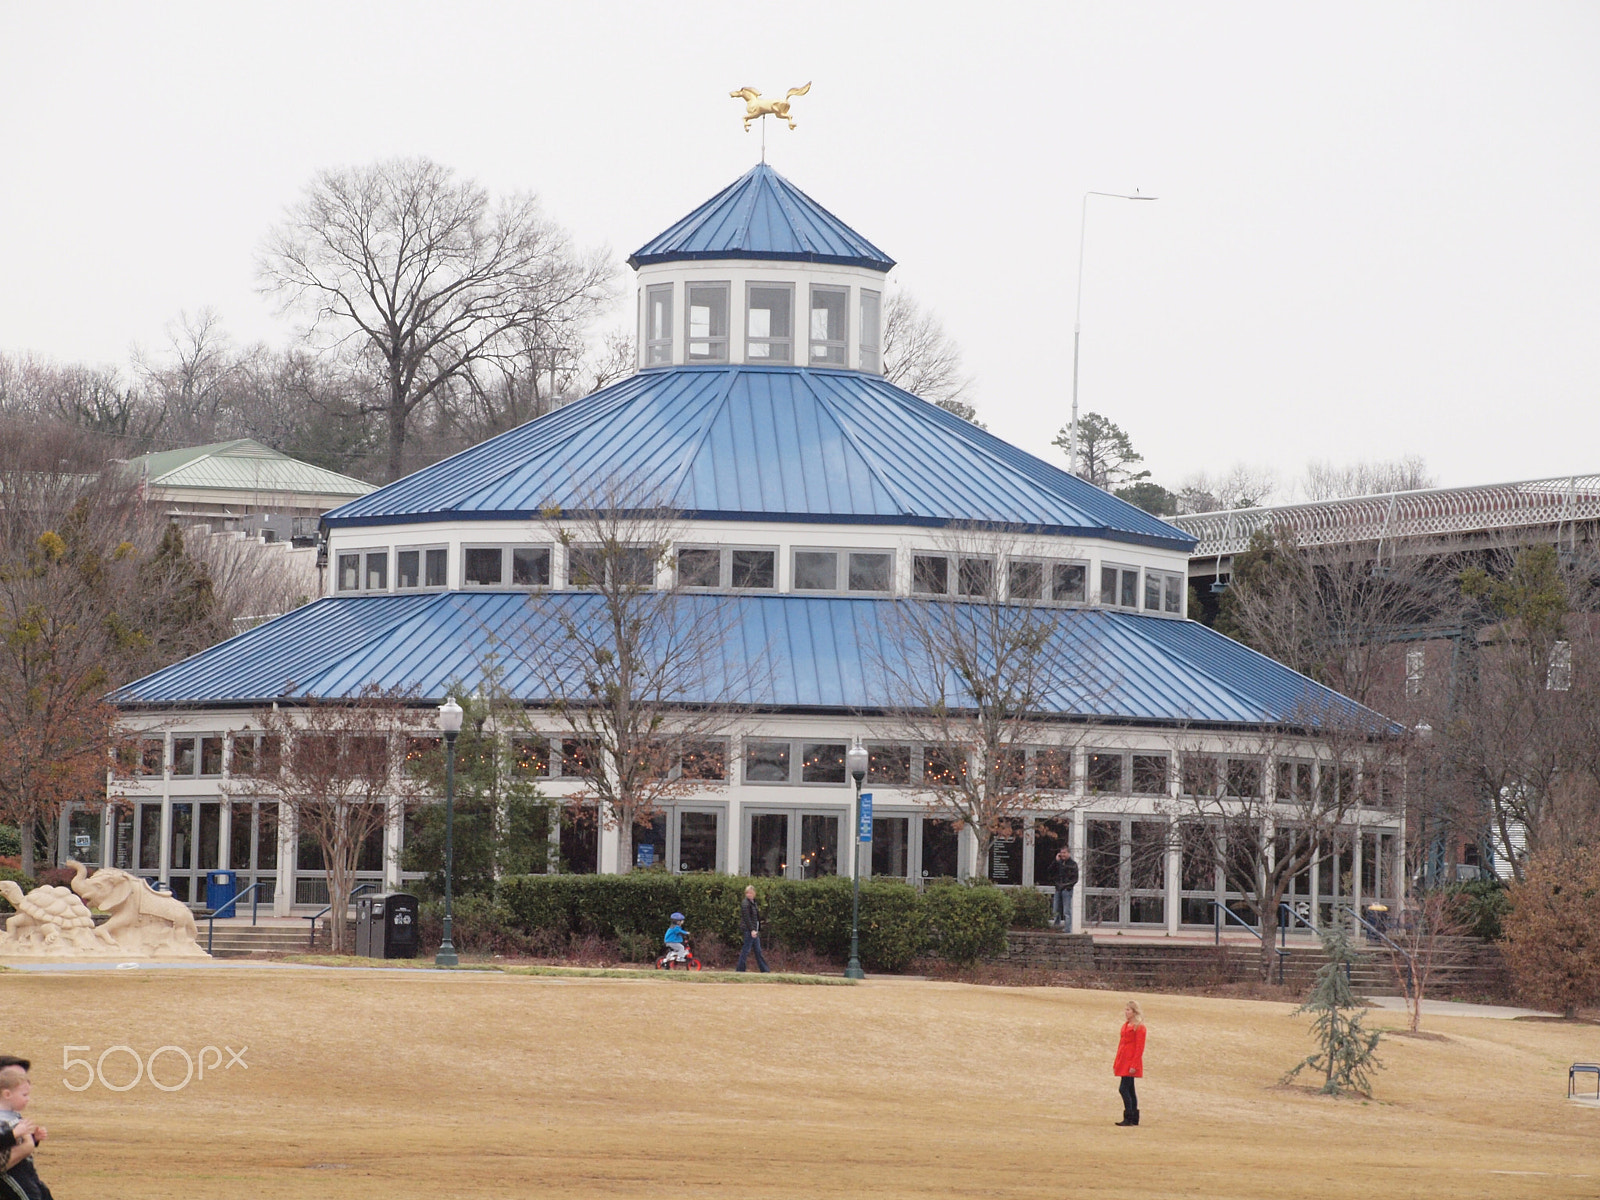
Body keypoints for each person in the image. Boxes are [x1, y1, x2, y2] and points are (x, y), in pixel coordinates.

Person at [0, 1058, 53, 1199]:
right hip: (12, 1173)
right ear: (7, 1093)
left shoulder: (12, 1115)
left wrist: (33, 1139)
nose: (28, 1099)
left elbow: (18, 1144)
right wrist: (16, 1135)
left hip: (25, 1169)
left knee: (43, 1193)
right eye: (24, 1094)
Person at [1113, 1000, 1146, 1127]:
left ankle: (1129, 1116)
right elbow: (1121, 1045)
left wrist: (1134, 1065)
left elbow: (1139, 1048)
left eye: (1128, 1010)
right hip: (1124, 1059)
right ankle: (1133, 1117)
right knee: (1130, 1088)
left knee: (1124, 1088)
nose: (1126, 1012)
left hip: (1131, 1061)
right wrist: (1117, 1062)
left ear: (1134, 1012)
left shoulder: (1139, 1027)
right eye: (1126, 1010)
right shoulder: (1125, 1025)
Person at [735, 884, 770, 973]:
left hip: (754, 930)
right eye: (747, 893)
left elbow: (756, 917)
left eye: (750, 893)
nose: (749, 894)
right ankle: (740, 969)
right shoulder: (745, 903)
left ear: (754, 893)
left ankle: (765, 970)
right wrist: (752, 930)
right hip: (749, 930)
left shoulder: (753, 903)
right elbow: (747, 918)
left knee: (758, 951)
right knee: (746, 950)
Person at [1051, 845, 1079, 928]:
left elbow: (1075, 878)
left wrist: (1067, 887)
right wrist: (1055, 861)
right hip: (1058, 889)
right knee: (1056, 910)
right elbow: (1049, 871)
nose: (1063, 855)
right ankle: (1056, 927)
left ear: (1068, 853)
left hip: (1067, 890)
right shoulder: (1058, 863)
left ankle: (1067, 929)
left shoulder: (1073, 864)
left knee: (1066, 911)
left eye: (1064, 853)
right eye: (1061, 853)